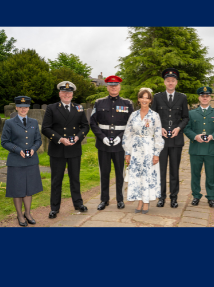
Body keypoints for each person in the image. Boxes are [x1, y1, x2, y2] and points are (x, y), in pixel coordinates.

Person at [42, 81, 89, 219]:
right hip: (57, 149)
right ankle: (54, 208)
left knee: (75, 178)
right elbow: (45, 128)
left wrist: (78, 137)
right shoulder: (52, 108)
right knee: (56, 180)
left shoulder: (79, 108)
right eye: (64, 92)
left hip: (74, 148)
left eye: (69, 93)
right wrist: (60, 139)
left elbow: (85, 127)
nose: (66, 94)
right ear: (60, 94)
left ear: (72, 94)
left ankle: (78, 203)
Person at [90, 75, 133, 210]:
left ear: (119, 87)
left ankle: (120, 199)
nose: (113, 87)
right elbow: (92, 122)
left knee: (120, 173)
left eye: (116, 85)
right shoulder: (99, 103)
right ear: (107, 87)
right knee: (104, 173)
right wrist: (102, 137)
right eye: (111, 85)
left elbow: (131, 124)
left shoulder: (127, 104)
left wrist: (121, 137)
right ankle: (104, 199)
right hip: (103, 144)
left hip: (120, 144)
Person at [1, 96, 43, 226]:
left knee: (29, 188)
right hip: (16, 161)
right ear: (16, 107)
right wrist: (17, 149)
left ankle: (28, 213)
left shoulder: (34, 122)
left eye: (25, 107)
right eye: (20, 107)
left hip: (31, 160)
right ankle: (20, 215)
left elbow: (38, 140)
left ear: (28, 108)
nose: (23, 109)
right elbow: (4, 142)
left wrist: (33, 149)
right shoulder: (9, 123)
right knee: (17, 189)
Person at [151, 68, 189, 208]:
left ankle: (174, 197)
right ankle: (161, 197)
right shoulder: (157, 97)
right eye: (168, 81)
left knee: (174, 170)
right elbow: (153, 116)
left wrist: (178, 128)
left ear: (176, 82)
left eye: (173, 81)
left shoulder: (182, 97)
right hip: (160, 140)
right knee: (161, 170)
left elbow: (185, 117)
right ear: (164, 82)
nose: (170, 83)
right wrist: (158, 128)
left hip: (176, 139)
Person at [122, 88, 164, 213]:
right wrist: (127, 152)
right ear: (139, 99)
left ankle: (145, 202)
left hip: (148, 149)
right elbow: (127, 133)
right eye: (142, 97)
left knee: (147, 175)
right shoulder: (133, 115)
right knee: (137, 176)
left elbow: (158, 135)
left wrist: (156, 153)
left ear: (150, 100)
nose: (144, 100)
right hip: (135, 149)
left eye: (147, 98)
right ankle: (139, 201)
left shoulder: (154, 115)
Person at [184, 86, 214, 207]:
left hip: (211, 149)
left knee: (211, 174)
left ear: (210, 98)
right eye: (203, 96)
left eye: (207, 96)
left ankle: (211, 197)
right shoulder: (191, 113)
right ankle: (196, 195)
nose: (205, 98)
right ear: (199, 98)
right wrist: (195, 136)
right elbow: (186, 128)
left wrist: (213, 136)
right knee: (195, 174)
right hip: (196, 149)